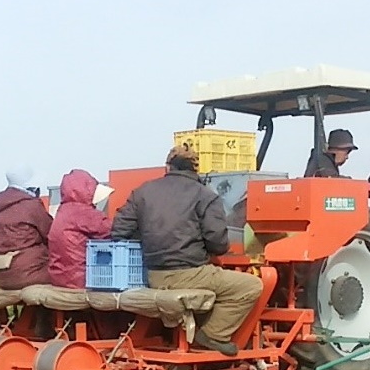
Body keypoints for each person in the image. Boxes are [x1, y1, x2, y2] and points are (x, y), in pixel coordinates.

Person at [112, 143, 264, 356]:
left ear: (168, 166)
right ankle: (214, 334)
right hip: (190, 274)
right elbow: (219, 244)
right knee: (251, 285)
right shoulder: (205, 196)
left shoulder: (142, 192)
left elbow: (119, 231)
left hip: (153, 275)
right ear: (195, 169)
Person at [0, 166, 52, 290]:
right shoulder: (31, 205)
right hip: (29, 273)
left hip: (1, 276)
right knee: (63, 273)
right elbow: (51, 234)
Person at [48, 169, 114, 290]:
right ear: (87, 191)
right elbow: (113, 229)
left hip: (59, 277)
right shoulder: (83, 213)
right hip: (78, 278)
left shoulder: (63, 210)